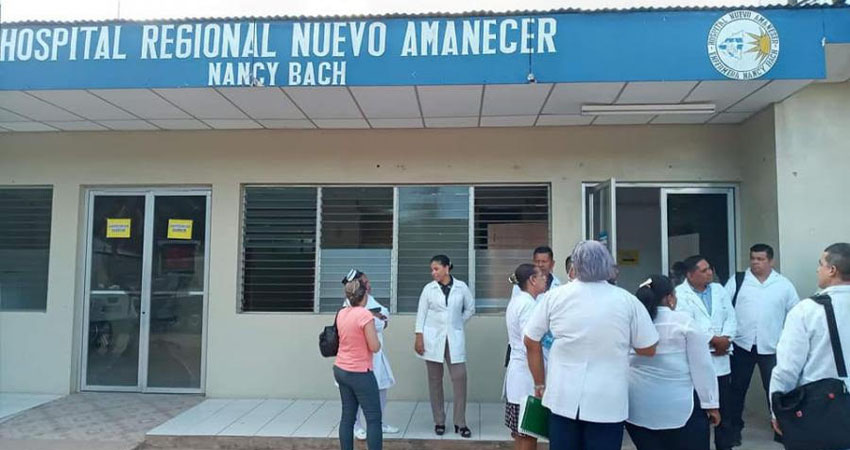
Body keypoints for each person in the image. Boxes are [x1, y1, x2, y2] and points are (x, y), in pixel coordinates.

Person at [523, 240, 659, 450]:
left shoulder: (555, 297)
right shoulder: (627, 301)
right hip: (607, 401)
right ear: (608, 265)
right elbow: (648, 348)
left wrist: (539, 383)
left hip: (563, 397)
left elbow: (531, 340)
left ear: (574, 266)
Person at [626, 275, 721, 450]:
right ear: (669, 298)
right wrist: (711, 404)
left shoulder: (631, 323)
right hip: (680, 409)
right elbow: (702, 368)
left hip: (638, 411)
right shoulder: (684, 323)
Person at [769, 243, 850, 438]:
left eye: (820, 264)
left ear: (832, 270)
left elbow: (787, 369)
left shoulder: (807, 310)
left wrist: (778, 409)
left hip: (822, 408)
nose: (817, 269)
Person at [723, 244, 799, 446]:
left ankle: (781, 430)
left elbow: (795, 314)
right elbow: (724, 307)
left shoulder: (783, 285)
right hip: (742, 345)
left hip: (771, 346)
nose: (755, 262)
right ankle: (733, 430)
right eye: (753, 258)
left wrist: (787, 340)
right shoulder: (738, 281)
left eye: (761, 259)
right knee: (737, 389)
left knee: (776, 389)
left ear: (771, 261)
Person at [675, 256, 737, 450]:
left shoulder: (719, 290)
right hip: (700, 360)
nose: (709, 273)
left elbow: (731, 317)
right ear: (690, 274)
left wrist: (726, 338)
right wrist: (713, 340)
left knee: (725, 412)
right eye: (703, 270)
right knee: (701, 415)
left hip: (721, 358)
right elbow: (688, 324)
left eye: (710, 269)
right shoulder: (679, 294)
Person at [414, 254, 475, 438]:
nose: (433, 273)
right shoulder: (429, 289)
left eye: (436, 269)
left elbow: (470, 308)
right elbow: (421, 314)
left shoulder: (461, 287)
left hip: (454, 338)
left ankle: (460, 422)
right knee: (435, 381)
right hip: (433, 339)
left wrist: (458, 322)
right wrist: (419, 337)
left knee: (460, 378)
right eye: (431, 270)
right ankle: (439, 421)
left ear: (447, 268)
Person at [340, 270, 398, 441]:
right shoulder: (347, 308)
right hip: (358, 360)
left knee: (381, 388)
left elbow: (384, 316)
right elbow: (377, 325)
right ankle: (357, 426)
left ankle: (380, 423)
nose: (369, 285)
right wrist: (376, 317)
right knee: (355, 398)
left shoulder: (369, 301)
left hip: (373, 359)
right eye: (365, 283)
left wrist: (379, 317)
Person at [334, 278, 382, 450]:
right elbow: (374, 346)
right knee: (373, 418)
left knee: (348, 416)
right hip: (360, 372)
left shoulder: (342, 313)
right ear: (364, 295)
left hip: (341, 368)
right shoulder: (365, 315)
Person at [504, 264, 548, 450]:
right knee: (528, 434)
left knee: (521, 434)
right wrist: (539, 383)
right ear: (532, 280)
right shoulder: (528, 305)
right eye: (542, 276)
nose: (545, 279)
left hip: (519, 375)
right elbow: (530, 344)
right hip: (526, 377)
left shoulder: (519, 301)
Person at [510, 246, 561, 359]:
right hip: (528, 355)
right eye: (537, 261)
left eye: (544, 261)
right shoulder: (525, 301)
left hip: (542, 348)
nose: (540, 265)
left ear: (552, 263)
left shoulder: (558, 287)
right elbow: (529, 338)